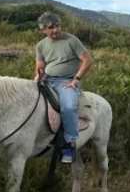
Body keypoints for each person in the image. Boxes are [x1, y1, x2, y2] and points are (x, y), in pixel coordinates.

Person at [34, 12, 93, 164]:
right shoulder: (40, 45)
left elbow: (87, 60)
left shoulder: (71, 40)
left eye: (57, 26)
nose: (56, 30)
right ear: (43, 30)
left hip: (67, 81)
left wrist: (76, 79)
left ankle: (70, 146)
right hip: (48, 80)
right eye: (51, 27)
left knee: (68, 107)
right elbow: (40, 65)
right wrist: (39, 75)